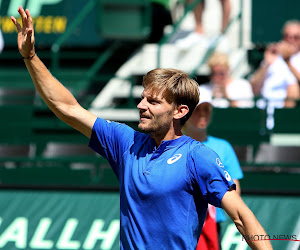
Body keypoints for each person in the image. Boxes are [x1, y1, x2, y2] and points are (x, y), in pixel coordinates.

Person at [11, 6, 272, 250]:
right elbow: (67, 107)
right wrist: (30, 56)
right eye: (143, 98)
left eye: (153, 101)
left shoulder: (198, 156)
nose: (140, 105)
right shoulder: (125, 142)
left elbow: (240, 216)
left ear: (180, 111)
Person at [184, 100, 244, 249]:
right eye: (197, 110)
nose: (202, 115)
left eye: (207, 110)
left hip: (211, 223)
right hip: (179, 224)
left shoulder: (223, 147)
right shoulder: (172, 144)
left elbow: (235, 190)